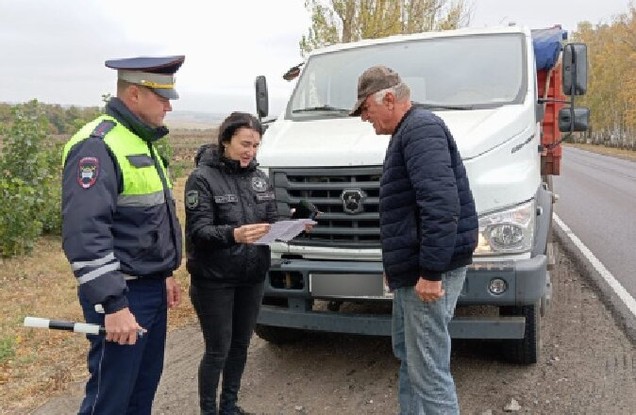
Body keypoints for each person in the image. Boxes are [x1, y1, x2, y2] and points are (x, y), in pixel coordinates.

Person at [351, 65, 479, 414]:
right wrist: (398, 269)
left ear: (389, 99)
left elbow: (440, 205)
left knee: (429, 370)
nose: (365, 118)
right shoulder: (410, 132)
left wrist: (431, 272)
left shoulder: (421, 131)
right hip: (414, 270)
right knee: (410, 356)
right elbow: (408, 212)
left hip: (429, 270)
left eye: (366, 109)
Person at [61, 55, 185, 414]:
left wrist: (163, 275)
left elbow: (143, 224)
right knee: (110, 397)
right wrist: (114, 304)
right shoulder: (97, 145)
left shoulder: (138, 140)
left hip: (148, 289)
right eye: (162, 98)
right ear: (134, 95)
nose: (168, 107)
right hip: (122, 294)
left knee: (140, 392)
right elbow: (85, 234)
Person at [183, 112, 275, 415]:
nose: (250, 151)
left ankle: (229, 406)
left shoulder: (260, 177)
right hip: (215, 279)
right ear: (225, 141)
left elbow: (270, 220)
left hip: (252, 276)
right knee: (218, 350)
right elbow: (199, 232)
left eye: (256, 146)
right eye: (244, 144)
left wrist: (300, 218)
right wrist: (234, 234)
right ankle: (208, 410)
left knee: (240, 346)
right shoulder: (202, 178)